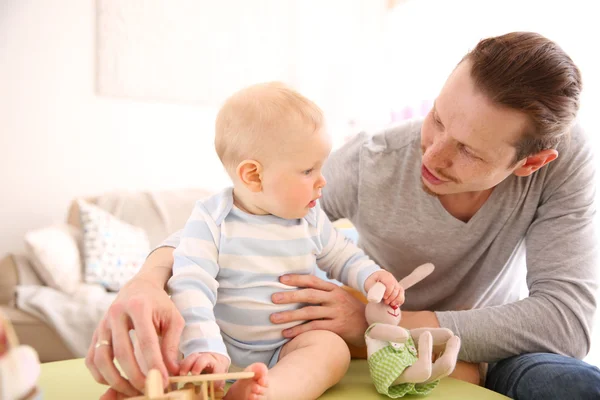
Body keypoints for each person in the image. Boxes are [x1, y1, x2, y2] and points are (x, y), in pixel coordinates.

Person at [87, 31, 600, 400]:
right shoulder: (373, 160)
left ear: (530, 163)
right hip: (366, 348)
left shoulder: (564, 159)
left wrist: (373, 323)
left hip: (491, 347)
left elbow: (568, 320)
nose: (434, 155)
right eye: (437, 118)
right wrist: (148, 278)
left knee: (572, 384)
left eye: (468, 151)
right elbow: (238, 216)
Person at [168, 82, 405, 399]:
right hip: (217, 346)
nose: (323, 181)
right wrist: (205, 347)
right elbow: (190, 285)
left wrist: (371, 277)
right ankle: (209, 383)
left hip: (286, 347)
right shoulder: (212, 219)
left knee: (332, 350)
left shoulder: (309, 218)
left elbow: (342, 255)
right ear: (254, 176)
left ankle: (269, 391)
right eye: (309, 170)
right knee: (169, 350)